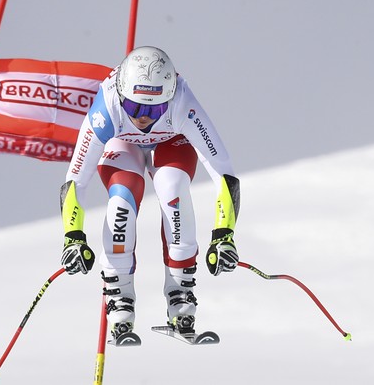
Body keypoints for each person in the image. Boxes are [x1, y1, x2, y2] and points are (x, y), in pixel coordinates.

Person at [59, 46, 240, 338]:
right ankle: (119, 294)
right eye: (135, 108)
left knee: (173, 188)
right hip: (121, 144)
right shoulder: (107, 108)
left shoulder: (182, 103)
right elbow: (75, 180)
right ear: (122, 96)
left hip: (171, 143)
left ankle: (180, 291)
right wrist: (72, 237)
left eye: (154, 109)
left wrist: (224, 234)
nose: (143, 118)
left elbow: (223, 172)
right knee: (122, 197)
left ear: (168, 98)